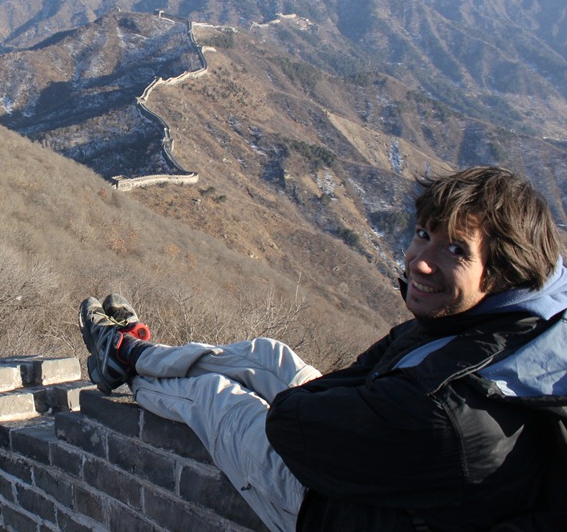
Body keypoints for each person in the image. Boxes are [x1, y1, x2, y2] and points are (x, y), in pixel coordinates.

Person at [79, 166, 567, 532]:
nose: (419, 261)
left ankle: (128, 371)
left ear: (501, 273)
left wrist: (305, 403)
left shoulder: (450, 408)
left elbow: (287, 426)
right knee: (268, 356)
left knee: (212, 395)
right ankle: (133, 353)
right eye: (423, 234)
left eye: (456, 250)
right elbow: (378, 361)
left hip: (326, 505)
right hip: (372, 446)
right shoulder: (508, 321)